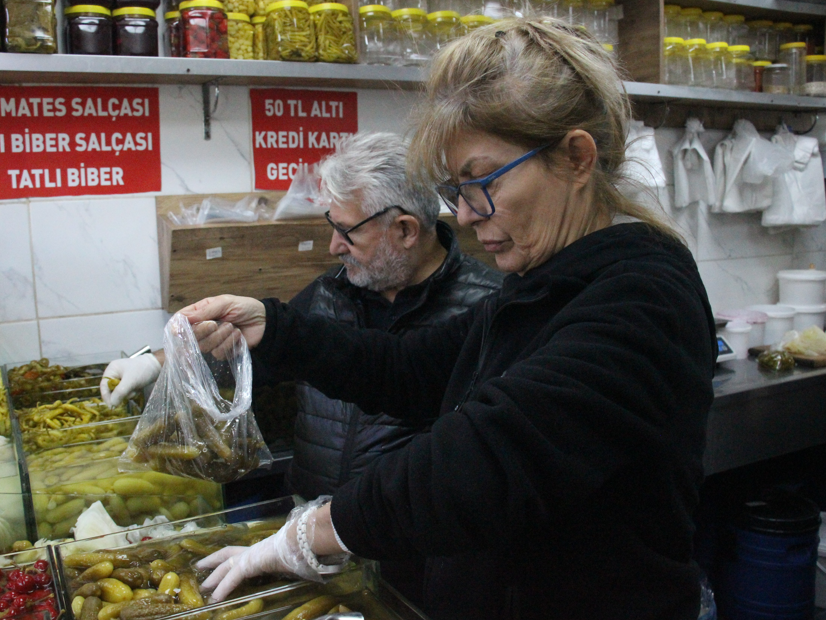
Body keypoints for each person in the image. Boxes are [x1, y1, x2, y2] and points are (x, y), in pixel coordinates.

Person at [181, 17, 718, 620]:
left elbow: (481, 462)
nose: (462, 216)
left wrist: (310, 535)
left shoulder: (643, 300)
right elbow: (410, 367)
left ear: (575, 158)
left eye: (481, 182)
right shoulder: (537, 287)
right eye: (455, 189)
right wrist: (274, 328)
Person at [102, 132, 501, 604]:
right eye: (331, 224)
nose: (333, 246)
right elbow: (249, 356)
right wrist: (156, 362)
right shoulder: (332, 293)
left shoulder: (487, 311)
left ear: (406, 230)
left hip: (413, 562)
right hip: (303, 543)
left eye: (348, 231)